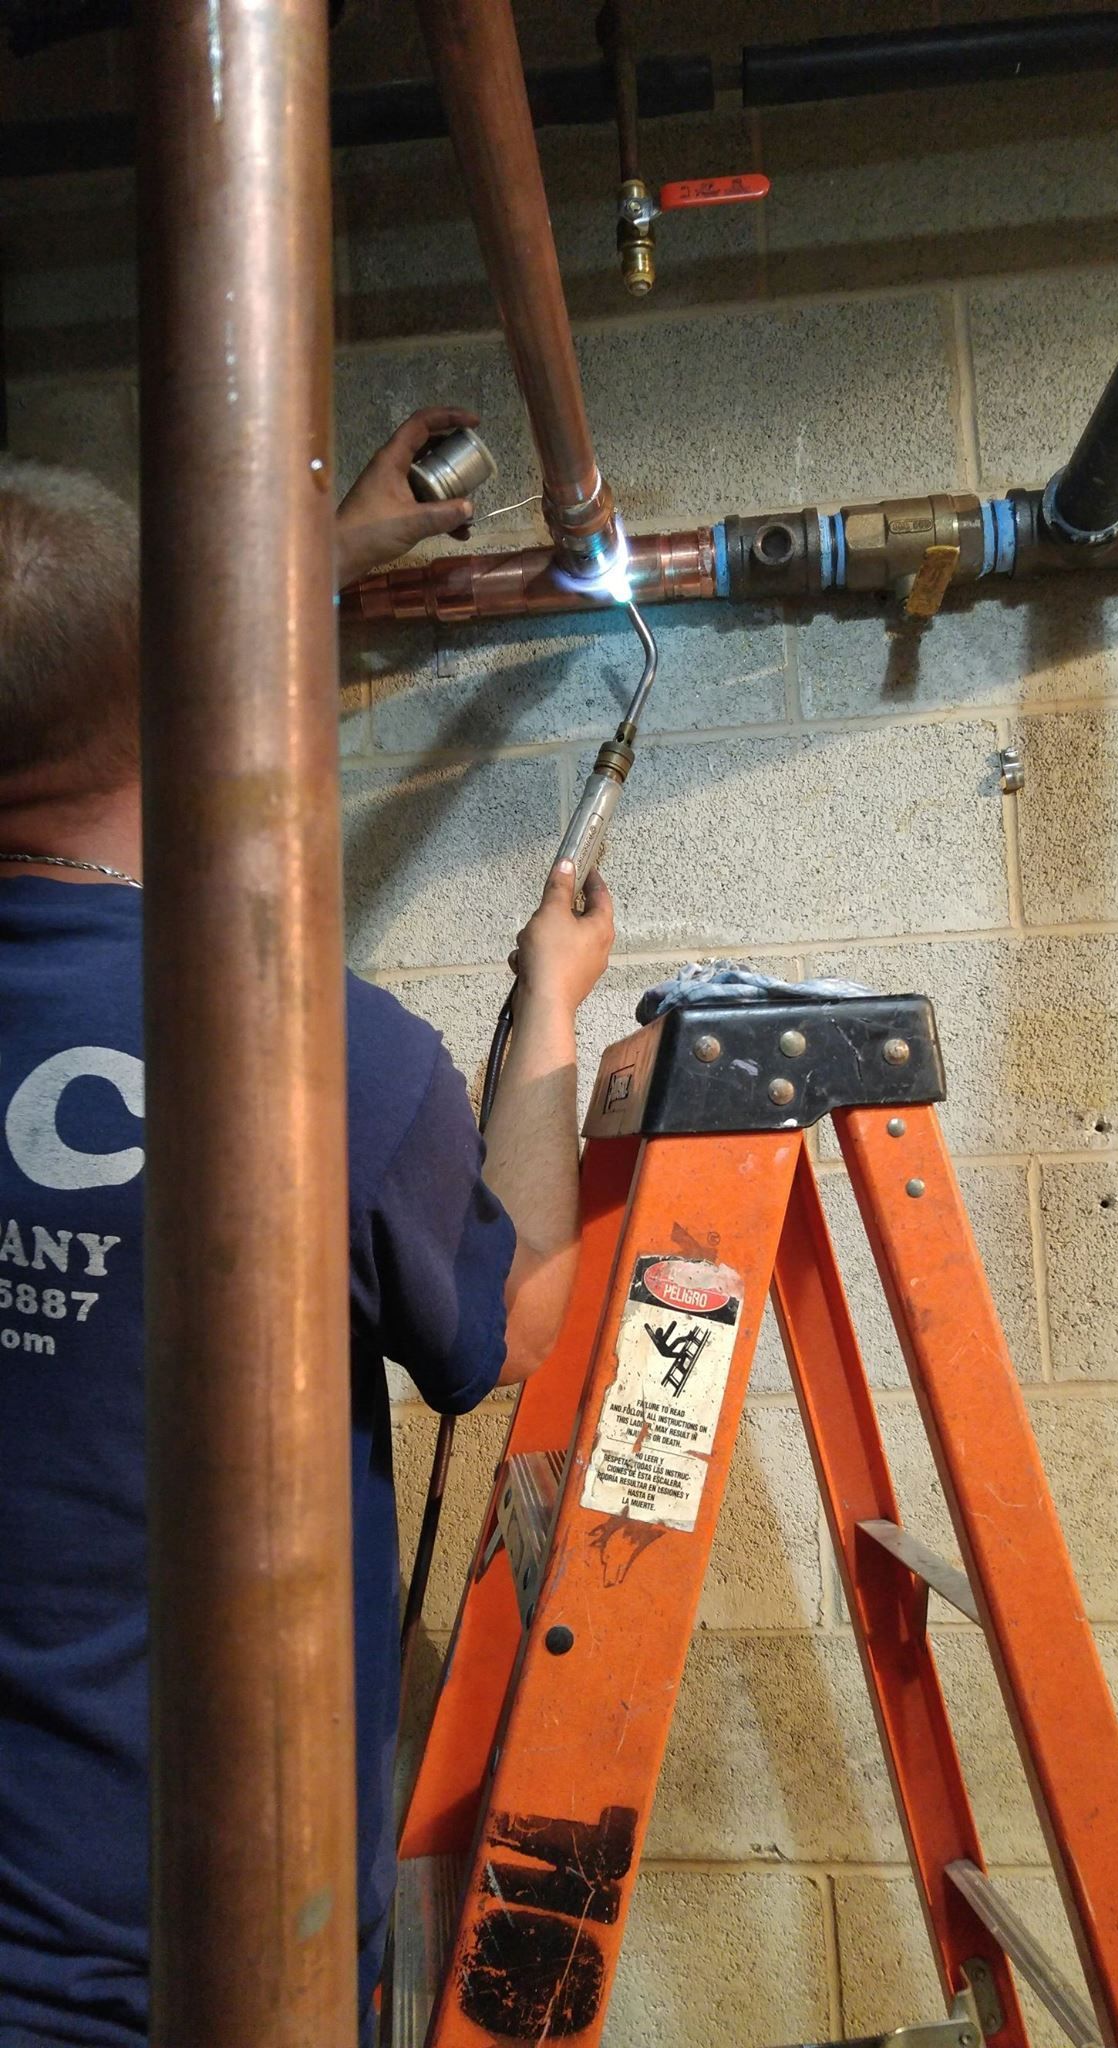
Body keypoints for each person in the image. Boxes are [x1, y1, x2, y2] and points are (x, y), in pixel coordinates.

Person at [0, 411, 615, 2047]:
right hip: (188, 1983)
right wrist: (550, 1009)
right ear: (177, 698)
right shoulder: (315, 1053)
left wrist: (328, 555)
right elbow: (510, 1328)